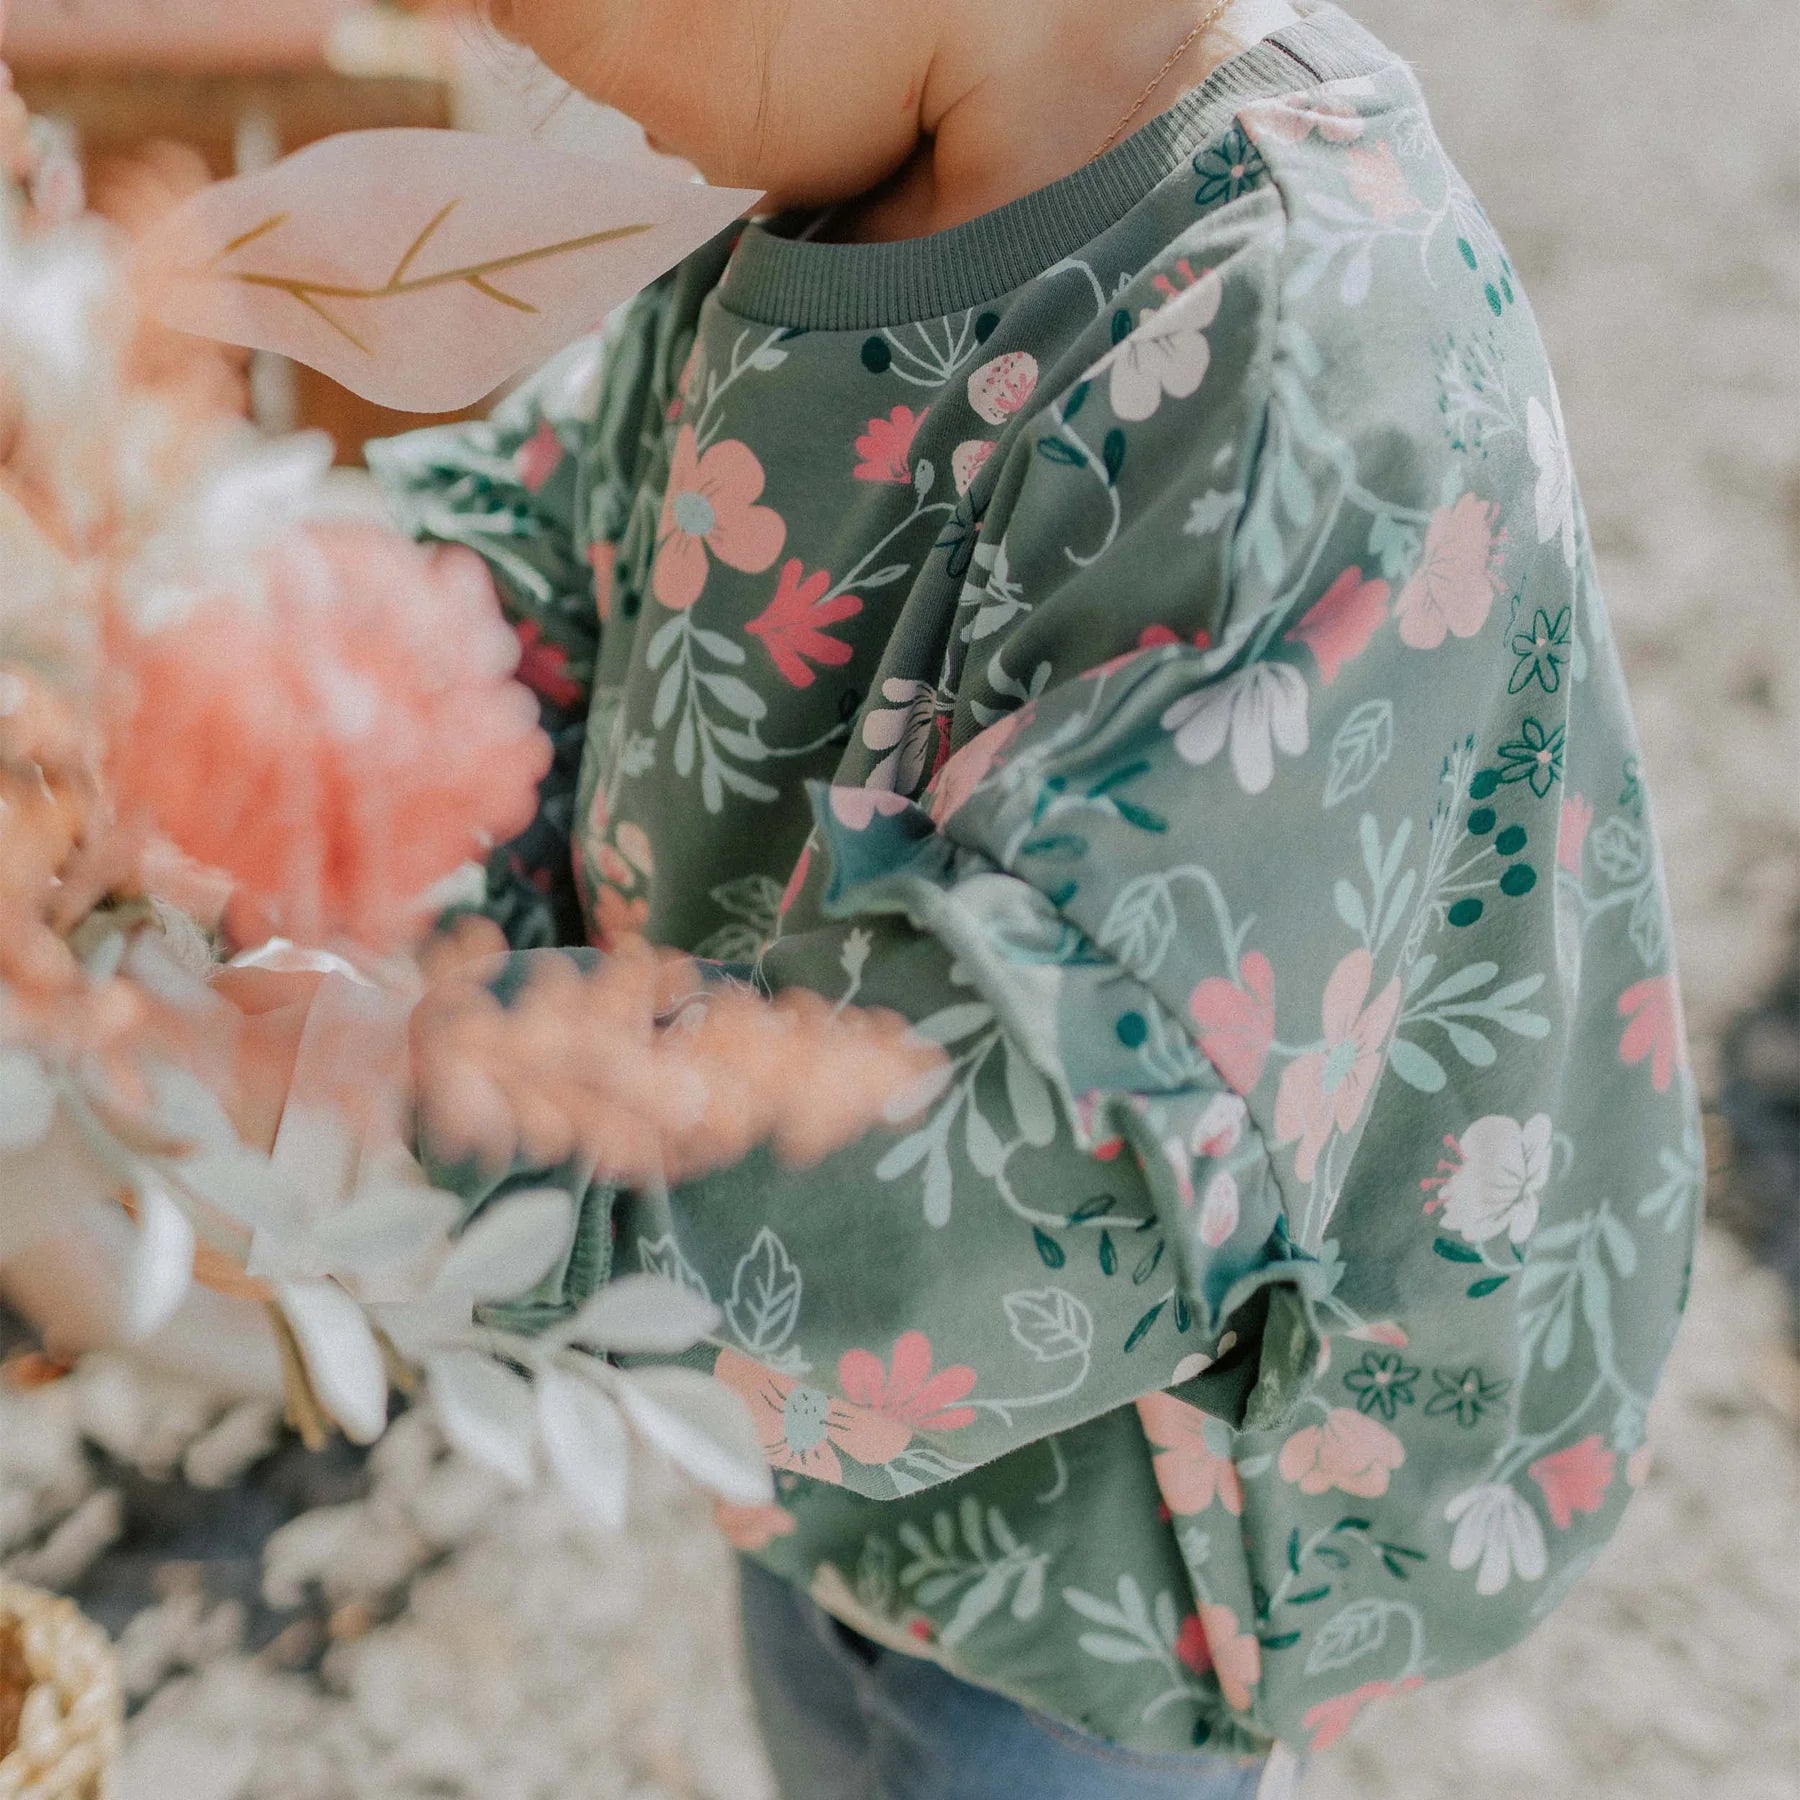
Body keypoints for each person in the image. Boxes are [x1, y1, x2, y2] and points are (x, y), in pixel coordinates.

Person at [361, 2, 1700, 1794]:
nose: (549, 81)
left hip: (1122, 1577)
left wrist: (423, 1117)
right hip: (812, 1439)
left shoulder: (1302, 341)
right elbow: (556, 545)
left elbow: (1030, 1164)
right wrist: (308, 731)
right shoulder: (819, 163)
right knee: (834, 1716)